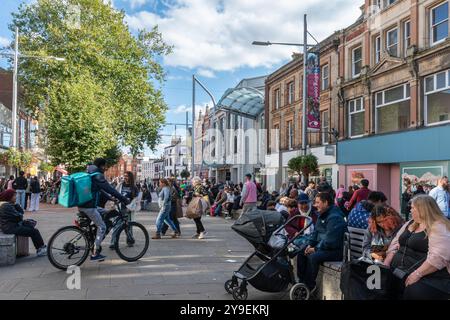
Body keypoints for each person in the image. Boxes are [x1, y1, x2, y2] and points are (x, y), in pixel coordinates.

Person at [384, 195, 450, 300]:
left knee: (414, 291)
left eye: (413, 207)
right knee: (373, 277)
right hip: (398, 269)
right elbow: (395, 242)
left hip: (426, 275)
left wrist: (417, 274)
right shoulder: (410, 223)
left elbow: (438, 257)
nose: (410, 210)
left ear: (423, 209)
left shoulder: (438, 226)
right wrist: (387, 261)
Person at [78, 158, 130, 261]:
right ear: (101, 166)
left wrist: (111, 198)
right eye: (105, 166)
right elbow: (109, 188)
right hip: (89, 207)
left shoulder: (91, 173)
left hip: (85, 205)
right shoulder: (97, 175)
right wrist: (123, 199)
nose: (106, 168)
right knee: (102, 226)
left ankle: (93, 240)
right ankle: (95, 253)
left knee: (107, 212)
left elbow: (101, 190)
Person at [296, 192, 347, 293]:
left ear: (326, 203)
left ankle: (309, 286)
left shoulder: (335, 217)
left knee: (313, 257)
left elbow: (330, 241)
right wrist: (310, 244)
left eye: (317, 202)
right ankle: (302, 282)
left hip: (336, 250)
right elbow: (315, 233)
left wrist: (314, 249)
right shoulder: (322, 214)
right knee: (301, 251)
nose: (315, 205)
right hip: (324, 247)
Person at [0, 189, 47, 256]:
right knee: (34, 231)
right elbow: (19, 216)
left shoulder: (5, 204)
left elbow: (17, 217)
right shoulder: (6, 206)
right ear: (9, 197)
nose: (15, 197)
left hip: (9, 226)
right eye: (14, 196)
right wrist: (17, 206)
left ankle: (40, 247)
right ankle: (41, 249)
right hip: (10, 228)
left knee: (30, 226)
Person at [110, 171, 139, 248]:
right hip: (119, 208)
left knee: (128, 226)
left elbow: (136, 199)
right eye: (124, 176)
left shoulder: (134, 187)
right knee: (117, 226)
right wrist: (113, 204)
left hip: (128, 209)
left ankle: (130, 240)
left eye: (127, 176)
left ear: (130, 177)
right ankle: (113, 242)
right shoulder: (120, 185)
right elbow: (115, 194)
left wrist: (131, 207)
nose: (125, 177)